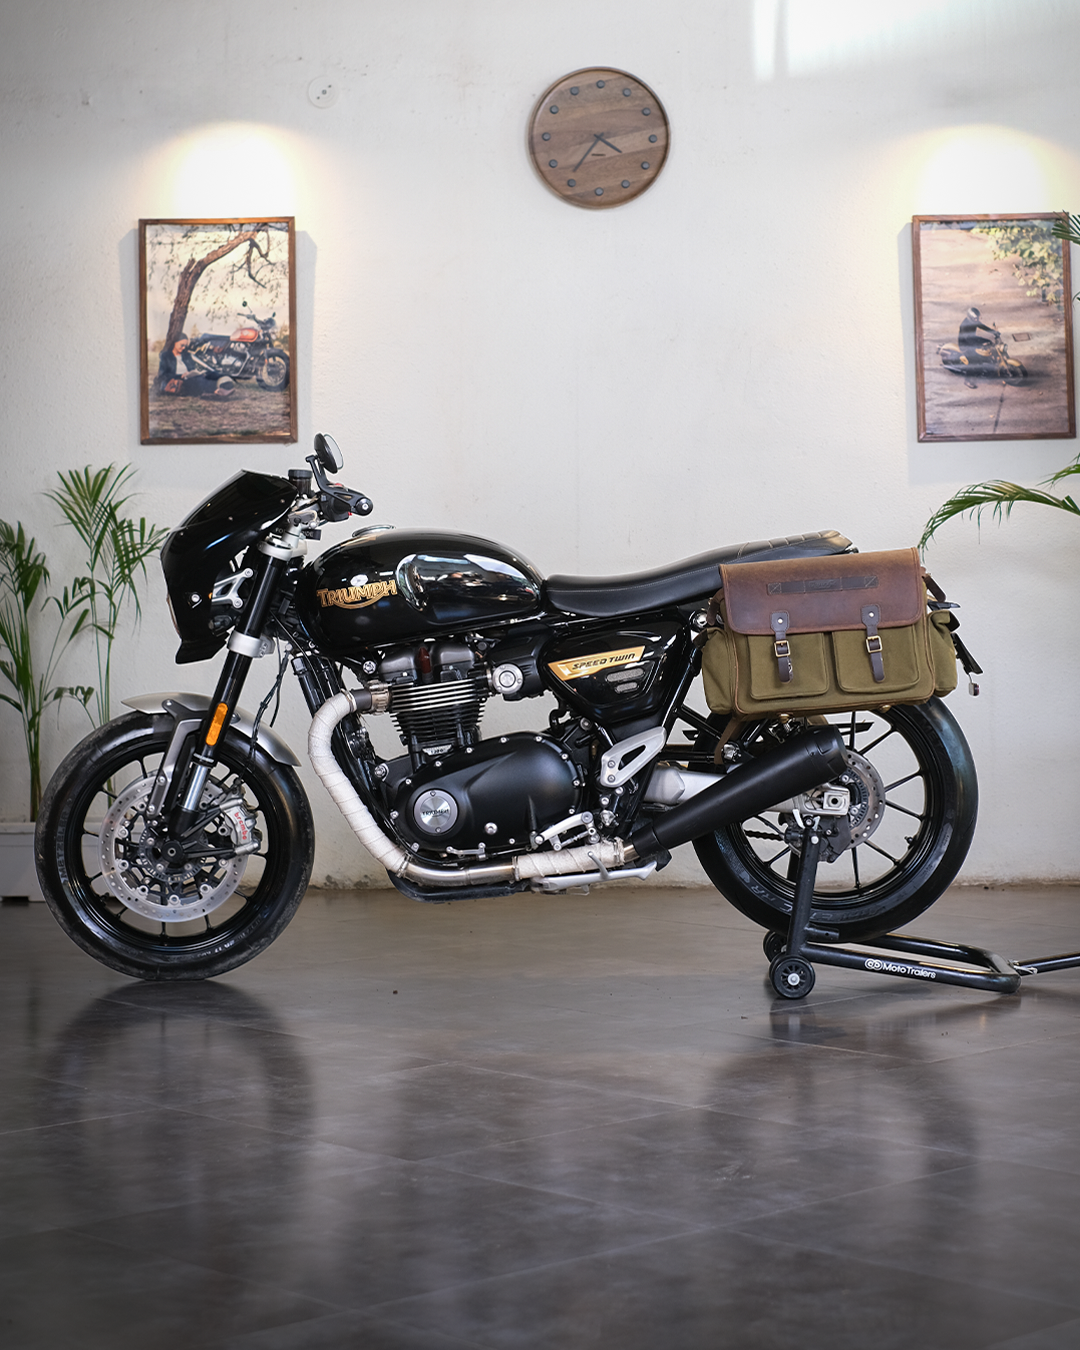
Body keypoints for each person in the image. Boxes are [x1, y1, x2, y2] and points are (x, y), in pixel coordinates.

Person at [155, 334, 235, 399]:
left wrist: (193, 373)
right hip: (180, 381)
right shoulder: (166, 356)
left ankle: (225, 384)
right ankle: (218, 391)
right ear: (175, 343)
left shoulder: (186, 355)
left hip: (190, 377)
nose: (183, 348)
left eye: (185, 346)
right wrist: (180, 376)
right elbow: (163, 375)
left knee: (209, 374)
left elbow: (192, 369)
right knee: (198, 380)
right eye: (181, 345)